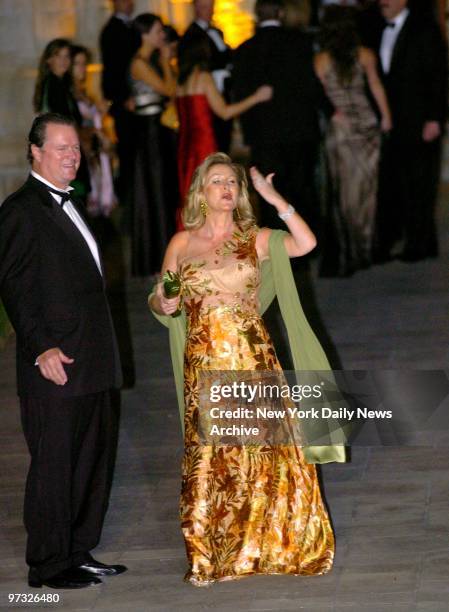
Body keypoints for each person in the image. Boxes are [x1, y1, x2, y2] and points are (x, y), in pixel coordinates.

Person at [149, 152, 343, 586]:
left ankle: (272, 544)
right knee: (210, 461)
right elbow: (164, 296)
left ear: (238, 195)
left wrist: (275, 197)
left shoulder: (254, 238)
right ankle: (212, 553)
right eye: (217, 181)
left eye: (232, 183)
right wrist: (165, 301)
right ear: (201, 191)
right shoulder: (181, 243)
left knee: (263, 458)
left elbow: (305, 244)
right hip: (203, 364)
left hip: (251, 360)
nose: (226, 188)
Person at [0, 113, 125, 589]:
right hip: (55, 364)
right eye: (61, 148)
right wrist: (40, 348)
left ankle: (77, 550)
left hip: (91, 360)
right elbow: (12, 286)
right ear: (35, 151)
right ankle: (48, 564)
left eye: (76, 149)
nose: (72, 156)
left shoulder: (70, 204)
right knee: (54, 466)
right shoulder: (20, 210)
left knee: (90, 460)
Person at [233, 0, 335, 232]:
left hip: (264, 134)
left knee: (270, 193)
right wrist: (330, 111)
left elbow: (239, 93)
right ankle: (305, 245)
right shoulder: (301, 44)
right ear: (280, 13)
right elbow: (312, 85)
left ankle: (278, 248)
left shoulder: (244, 49)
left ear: (257, 16)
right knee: (301, 189)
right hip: (300, 131)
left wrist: (249, 134)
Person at [314, 6, 392, 276]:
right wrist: (386, 117)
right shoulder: (365, 54)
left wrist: (334, 113)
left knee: (344, 193)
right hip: (367, 125)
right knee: (367, 191)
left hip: (341, 127)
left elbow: (321, 96)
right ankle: (365, 247)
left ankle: (349, 251)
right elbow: (376, 86)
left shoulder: (321, 60)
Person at [374, 0, 447, 262]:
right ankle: (390, 239)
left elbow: (439, 76)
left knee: (420, 184)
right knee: (391, 184)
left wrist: (435, 118)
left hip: (419, 121)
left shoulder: (425, 30)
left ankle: (420, 243)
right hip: (389, 123)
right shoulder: (376, 28)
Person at [175, 34, 272, 227]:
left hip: (185, 145)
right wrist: (256, 97)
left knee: (194, 192)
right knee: (212, 192)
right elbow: (225, 112)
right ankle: (210, 231)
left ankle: (196, 231)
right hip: (204, 143)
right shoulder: (203, 77)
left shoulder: (180, 82)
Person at [129, 13, 178, 277]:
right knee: (155, 190)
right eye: (158, 30)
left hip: (157, 130)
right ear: (145, 33)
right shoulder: (140, 63)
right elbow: (170, 90)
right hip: (148, 133)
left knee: (163, 190)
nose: (162, 35)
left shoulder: (149, 62)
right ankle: (157, 257)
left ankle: (164, 253)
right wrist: (165, 60)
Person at [33, 39, 90, 200]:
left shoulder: (59, 84)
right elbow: (63, 122)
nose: (64, 61)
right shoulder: (53, 85)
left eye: (67, 56)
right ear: (49, 60)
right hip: (63, 154)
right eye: (59, 56)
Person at [100, 0, 139, 210]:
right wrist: (123, 99)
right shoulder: (112, 31)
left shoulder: (130, 27)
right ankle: (128, 202)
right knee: (128, 154)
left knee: (133, 154)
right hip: (126, 104)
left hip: (132, 103)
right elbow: (113, 70)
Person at [71, 44, 117, 218]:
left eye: (85, 64)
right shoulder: (70, 94)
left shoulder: (84, 93)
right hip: (84, 154)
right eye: (78, 64)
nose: (83, 69)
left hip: (95, 154)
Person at [182, 0, 233, 152]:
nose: (210, 11)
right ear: (195, 8)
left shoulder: (217, 31)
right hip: (207, 92)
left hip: (223, 89)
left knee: (225, 136)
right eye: (205, 6)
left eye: (211, 6)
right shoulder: (191, 35)